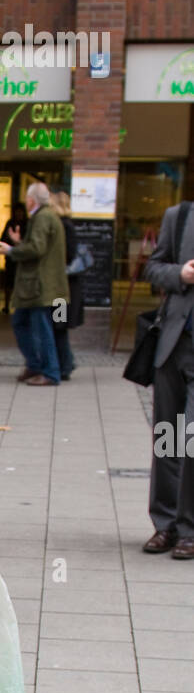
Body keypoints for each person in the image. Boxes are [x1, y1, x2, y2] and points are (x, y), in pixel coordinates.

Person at [141, 196, 194, 559]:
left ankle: (189, 527)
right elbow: (153, 268)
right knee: (167, 438)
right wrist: (181, 275)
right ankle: (166, 524)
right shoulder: (180, 216)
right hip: (174, 345)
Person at [0, 181, 69, 386]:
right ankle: (36, 365)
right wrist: (19, 243)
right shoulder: (46, 216)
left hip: (40, 286)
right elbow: (39, 246)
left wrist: (11, 250)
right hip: (40, 285)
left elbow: (37, 248)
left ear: (31, 200)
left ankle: (50, 371)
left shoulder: (42, 217)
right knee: (22, 322)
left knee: (42, 328)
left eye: (27, 198)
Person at [49, 189, 84, 381]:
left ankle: (65, 364)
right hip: (63, 287)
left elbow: (68, 254)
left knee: (58, 325)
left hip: (63, 289)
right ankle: (66, 361)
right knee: (58, 326)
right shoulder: (66, 225)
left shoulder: (64, 226)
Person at [0, 202, 27, 315]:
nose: (19, 214)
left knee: (21, 283)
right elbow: (3, 238)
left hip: (22, 259)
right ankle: (7, 305)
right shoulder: (10, 223)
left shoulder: (27, 224)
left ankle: (20, 306)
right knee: (9, 282)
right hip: (12, 258)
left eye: (20, 212)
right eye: (17, 212)